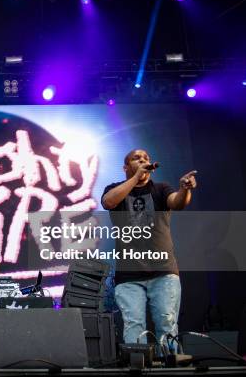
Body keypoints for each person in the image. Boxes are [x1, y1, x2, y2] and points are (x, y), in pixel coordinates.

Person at [101, 149, 197, 349]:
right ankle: (139, 367)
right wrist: (136, 177)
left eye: (146, 158)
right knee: (134, 326)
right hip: (129, 275)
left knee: (167, 325)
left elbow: (177, 203)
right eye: (137, 159)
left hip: (163, 271)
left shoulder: (161, 189)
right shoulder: (114, 189)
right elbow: (109, 202)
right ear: (125, 167)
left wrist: (185, 189)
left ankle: (171, 370)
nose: (143, 160)